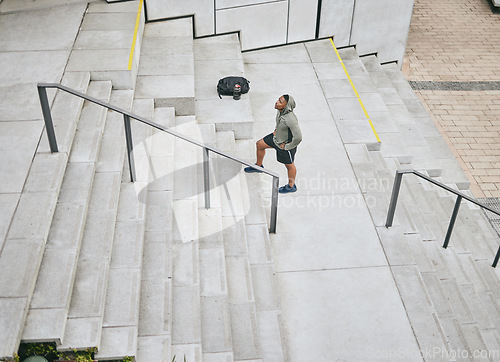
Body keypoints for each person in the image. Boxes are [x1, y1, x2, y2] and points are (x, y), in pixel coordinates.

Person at [244, 94, 302, 193]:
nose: (277, 102)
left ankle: (291, 186)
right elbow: (280, 123)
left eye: (280, 102)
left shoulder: (291, 119)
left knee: (289, 165)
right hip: (275, 138)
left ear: (285, 106)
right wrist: (276, 130)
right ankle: (259, 166)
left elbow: (298, 137)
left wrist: (287, 146)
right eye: (278, 100)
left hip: (285, 145)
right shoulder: (280, 112)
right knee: (260, 145)